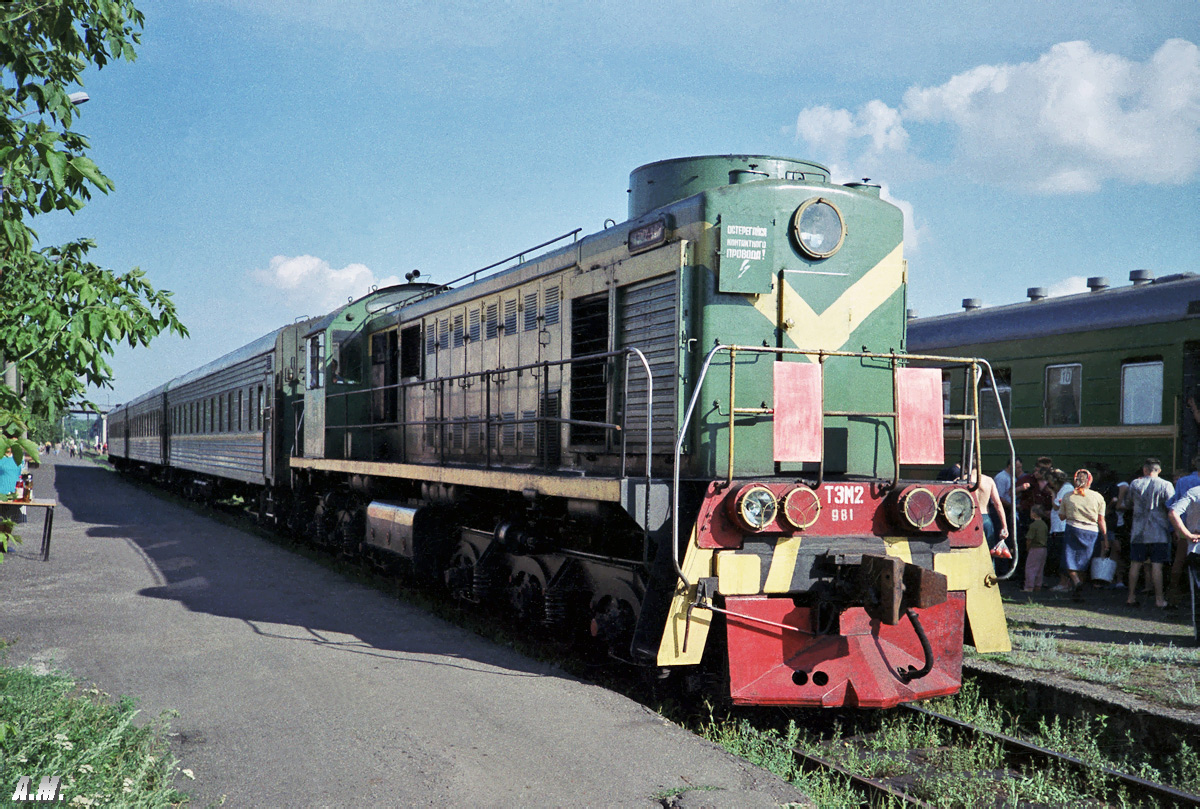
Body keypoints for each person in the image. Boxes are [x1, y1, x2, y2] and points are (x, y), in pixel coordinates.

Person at [1126, 458, 1176, 609]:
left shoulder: (1135, 483)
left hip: (1138, 531)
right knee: (1157, 566)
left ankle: (1130, 597)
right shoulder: (1166, 484)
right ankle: (1159, 599)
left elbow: (1128, 503)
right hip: (1159, 531)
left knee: (1135, 564)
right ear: (1158, 470)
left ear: (1144, 469)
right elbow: (1172, 506)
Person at [1058, 468, 1108, 601]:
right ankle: (1079, 590)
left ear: (1075, 480)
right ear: (1090, 481)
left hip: (1073, 529)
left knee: (1069, 560)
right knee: (1083, 562)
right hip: (1091, 532)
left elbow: (1062, 517)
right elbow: (1101, 520)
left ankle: (1076, 582)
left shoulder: (1068, 496)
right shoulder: (1098, 497)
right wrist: (1105, 538)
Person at [1168, 456, 1200, 600]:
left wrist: (1178, 530)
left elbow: (1172, 505)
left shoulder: (1183, 481)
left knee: (1179, 561)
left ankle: (1173, 596)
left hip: (1186, 527)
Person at [966, 466, 1008, 548]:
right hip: (985, 519)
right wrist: (1004, 526)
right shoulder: (988, 481)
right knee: (988, 551)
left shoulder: (962, 480)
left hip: (969, 518)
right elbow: (998, 504)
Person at [1047, 469, 1072, 589]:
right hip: (1057, 527)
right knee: (1058, 555)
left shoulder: (1066, 489)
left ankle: (1064, 583)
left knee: (1062, 556)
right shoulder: (1063, 489)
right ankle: (1064, 582)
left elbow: (1057, 506)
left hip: (1062, 528)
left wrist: (1052, 494)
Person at [1024, 504, 1049, 592]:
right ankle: (1038, 586)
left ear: (1034, 513)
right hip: (1044, 549)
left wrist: (1027, 548)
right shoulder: (1044, 525)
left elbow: (1029, 539)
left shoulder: (1034, 525)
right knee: (1040, 568)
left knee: (1030, 568)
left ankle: (1029, 586)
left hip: (1035, 548)